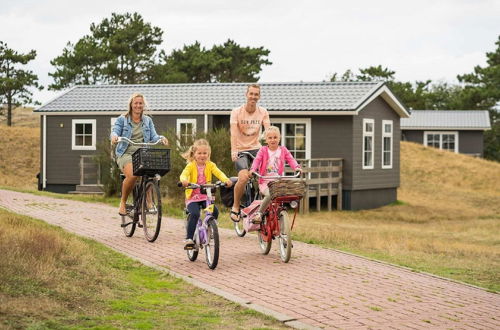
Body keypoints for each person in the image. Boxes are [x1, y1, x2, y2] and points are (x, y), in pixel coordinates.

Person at [111, 93, 168, 216]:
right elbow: (115, 130)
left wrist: (161, 138)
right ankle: (123, 202)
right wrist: (114, 136)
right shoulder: (123, 119)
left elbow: (153, 137)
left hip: (142, 153)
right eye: (135, 103)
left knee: (150, 174)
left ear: (143, 105)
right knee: (132, 175)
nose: (138, 105)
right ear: (131, 105)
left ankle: (148, 201)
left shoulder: (148, 121)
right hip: (125, 153)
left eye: (140, 103)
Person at [180, 139, 233, 249]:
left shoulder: (210, 165)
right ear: (194, 154)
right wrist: (184, 181)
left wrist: (226, 180)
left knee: (215, 211)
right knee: (195, 214)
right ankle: (189, 239)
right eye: (199, 153)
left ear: (208, 154)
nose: (202, 156)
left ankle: (210, 228)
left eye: (205, 153)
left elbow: (219, 173)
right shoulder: (190, 165)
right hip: (193, 197)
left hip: (205, 196)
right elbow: (184, 174)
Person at [229, 84, 270, 222]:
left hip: (256, 148)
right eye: (251, 93)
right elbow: (233, 133)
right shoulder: (236, 112)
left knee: (267, 175)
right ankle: (235, 207)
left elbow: (268, 130)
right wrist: (234, 150)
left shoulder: (263, 112)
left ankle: (262, 207)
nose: (253, 96)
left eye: (256, 94)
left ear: (259, 96)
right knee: (244, 177)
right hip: (241, 150)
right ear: (246, 94)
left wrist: (270, 149)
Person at [248, 126, 302, 223]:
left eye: (275, 137)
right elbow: (257, 160)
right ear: (266, 140)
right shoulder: (263, 150)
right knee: (270, 194)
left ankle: (279, 216)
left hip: (277, 181)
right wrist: (253, 169)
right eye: (270, 138)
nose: (273, 140)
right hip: (265, 181)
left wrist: (297, 167)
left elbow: (291, 159)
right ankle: (259, 214)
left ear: (279, 138)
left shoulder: (283, 150)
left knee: (285, 194)